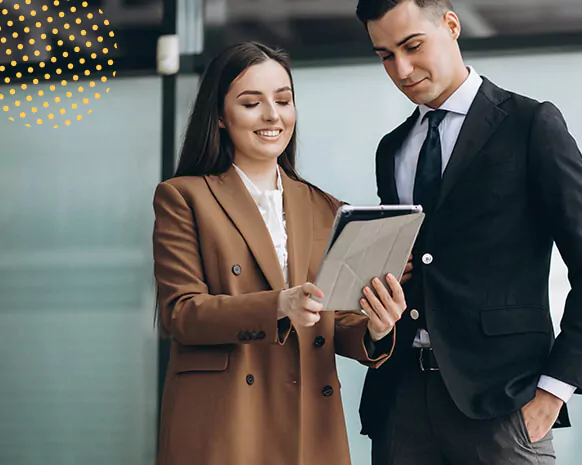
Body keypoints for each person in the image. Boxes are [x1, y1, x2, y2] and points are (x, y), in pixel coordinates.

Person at [353, 1, 582, 464]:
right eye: (384, 55)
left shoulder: (530, 125)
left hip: (503, 405)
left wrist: (553, 394)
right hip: (401, 404)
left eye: (412, 45)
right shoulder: (392, 149)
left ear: (451, 25)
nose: (401, 68)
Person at [152, 41, 406, 465]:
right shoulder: (184, 198)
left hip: (310, 416)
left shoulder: (325, 206)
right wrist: (279, 305)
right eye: (252, 103)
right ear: (218, 115)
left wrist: (375, 328)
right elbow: (182, 314)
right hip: (226, 420)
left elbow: (336, 318)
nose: (273, 115)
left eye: (283, 100)